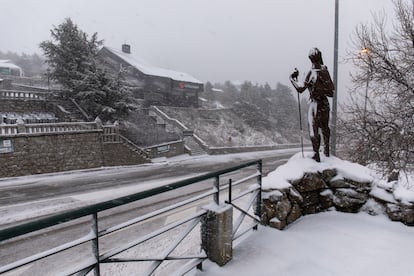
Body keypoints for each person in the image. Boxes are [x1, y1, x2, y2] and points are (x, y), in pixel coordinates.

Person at [289, 47, 334, 162]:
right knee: (325, 128)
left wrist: (292, 78)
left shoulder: (311, 72)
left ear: (311, 59)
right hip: (324, 104)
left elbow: (300, 89)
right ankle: (326, 151)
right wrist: (323, 88)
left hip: (315, 103)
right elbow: (331, 92)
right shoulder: (325, 71)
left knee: (313, 130)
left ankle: (316, 154)